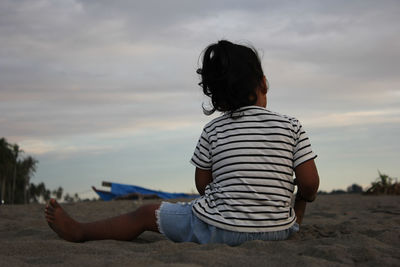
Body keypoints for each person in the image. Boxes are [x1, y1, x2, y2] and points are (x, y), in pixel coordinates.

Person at [45, 40, 319, 246]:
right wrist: (302, 198)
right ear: (263, 83)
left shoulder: (213, 130)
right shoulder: (291, 125)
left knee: (143, 214)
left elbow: (202, 186)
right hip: (279, 233)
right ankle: (288, 223)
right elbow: (310, 183)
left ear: (220, 96)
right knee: (301, 197)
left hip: (216, 230)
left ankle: (81, 231)